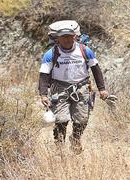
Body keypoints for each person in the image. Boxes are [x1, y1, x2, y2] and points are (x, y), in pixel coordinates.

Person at [38, 20, 108, 154]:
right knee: (61, 119)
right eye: (63, 37)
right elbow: (44, 75)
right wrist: (43, 94)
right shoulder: (50, 54)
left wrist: (102, 88)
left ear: (75, 36)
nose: (66, 40)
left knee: (82, 119)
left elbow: (95, 69)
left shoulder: (85, 50)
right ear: (58, 38)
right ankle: (59, 146)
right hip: (59, 89)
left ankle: (76, 138)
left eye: (69, 36)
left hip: (81, 88)